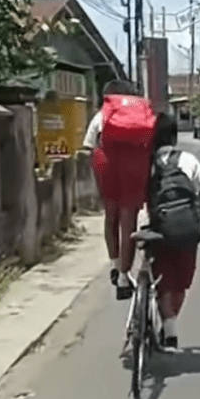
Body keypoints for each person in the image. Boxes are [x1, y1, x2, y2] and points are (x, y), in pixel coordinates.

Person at [83, 80, 156, 300]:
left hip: (107, 162)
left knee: (110, 215)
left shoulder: (102, 115)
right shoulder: (142, 111)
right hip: (135, 165)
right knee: (129, 220)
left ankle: (115, 265)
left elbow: (88, 147)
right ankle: (125, 277)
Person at [145, 112, 200, 348]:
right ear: (174, 137)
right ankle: (170, 328)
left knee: (162, 278)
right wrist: (192, 210)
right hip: (186, 230)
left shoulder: (147, 162)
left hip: (159, 230)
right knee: (181, 282)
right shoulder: (188, 160)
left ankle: (169, 327)